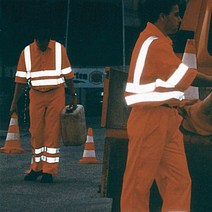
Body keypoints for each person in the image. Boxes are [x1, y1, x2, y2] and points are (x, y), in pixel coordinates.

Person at [121, 0, 212, 211]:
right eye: (176, 14)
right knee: (138, 185)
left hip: (166, 119)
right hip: (149, 119)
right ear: (162, 16)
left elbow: (169, 81)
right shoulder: (154, 43)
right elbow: (184, 76)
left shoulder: (158, 41)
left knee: (178, 182)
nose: (180, 20)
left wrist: (179, 103)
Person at [10, 28, 77, 183]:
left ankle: (49, 171)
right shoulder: (26, 52)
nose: (42, 45)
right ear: (35, 40)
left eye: (45, 42)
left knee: (52, 132)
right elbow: (20, 81)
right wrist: (14, 102)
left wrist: (73, 95)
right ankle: (36, 168)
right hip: (36, 95)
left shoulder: (59, 49)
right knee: (36, 131)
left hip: (56, 94)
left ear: (49, 39)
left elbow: (68, 75)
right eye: (39, 42)